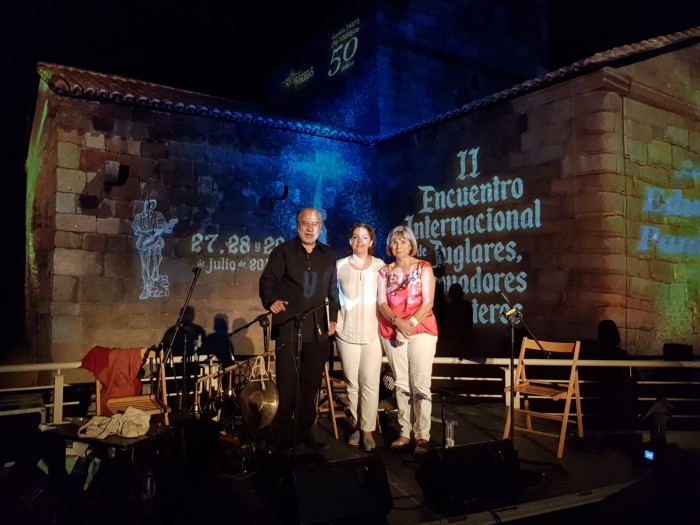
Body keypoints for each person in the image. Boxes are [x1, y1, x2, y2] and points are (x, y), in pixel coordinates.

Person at [259, 207, 340, 452]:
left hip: (318, 332)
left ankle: (304, 435)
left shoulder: (328, 255)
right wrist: (271, 299)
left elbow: (333, 292)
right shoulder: (283, 251)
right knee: (287, 387)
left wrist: (333, 319)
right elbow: (267, 281)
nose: (309, 228)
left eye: (314, 224)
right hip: (289, 329)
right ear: (297, 225)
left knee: (309, 387)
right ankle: (282, 438)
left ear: (320, 227)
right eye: (305, 223)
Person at [377, 225, 438, 457]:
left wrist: (408, 326)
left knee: (420, 384)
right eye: (394, 242)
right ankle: (405, 431)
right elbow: (381, 303)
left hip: (421, 329)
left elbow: (428, 302)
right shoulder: (384, 271)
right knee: (401, 383)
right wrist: (397, 323)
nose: (398, 246)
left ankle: (423, 435)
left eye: (402, 242)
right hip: (392, 330)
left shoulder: (423, 267)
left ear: (411, 244)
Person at [335, 223, 385, 452]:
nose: (359, 241)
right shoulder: (340, 266)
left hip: (372, 334)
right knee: (352, 383)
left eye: (364, 237)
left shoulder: (380, 266)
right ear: (350, 241)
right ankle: (355, 426)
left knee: (370, 383)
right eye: (355, 237)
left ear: (371, 241)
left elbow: (384, 300)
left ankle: (368, 430)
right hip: (345, 333)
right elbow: (331, 298)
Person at [132, 198, 177, 300]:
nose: (151, 207)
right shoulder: (139, 217)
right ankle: (146, 287)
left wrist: (168, 228)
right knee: (145, 265)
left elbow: (164, 226)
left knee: (157, 253)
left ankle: (156, 269)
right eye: (149, 204)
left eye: (153, 205)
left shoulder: (157, 216)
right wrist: (146, 234)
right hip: (143, 242)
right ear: (145, 204)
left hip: (155, 240)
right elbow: (135, 230)